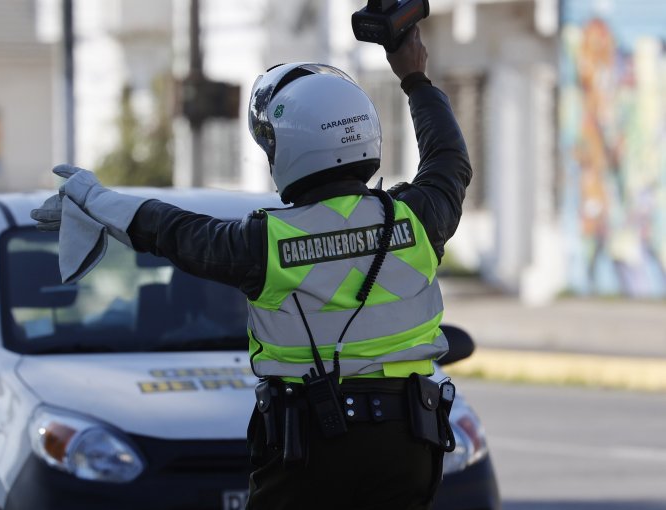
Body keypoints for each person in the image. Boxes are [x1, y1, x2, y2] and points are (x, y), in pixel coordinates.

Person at [33, 26, 470, 510]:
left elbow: (174, 232)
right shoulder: (419, 217)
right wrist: (415, 78)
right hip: (407, 444)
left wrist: (96, 200)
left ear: (288, 149)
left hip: (313, 445)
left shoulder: (266, 243)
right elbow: (448, 158)